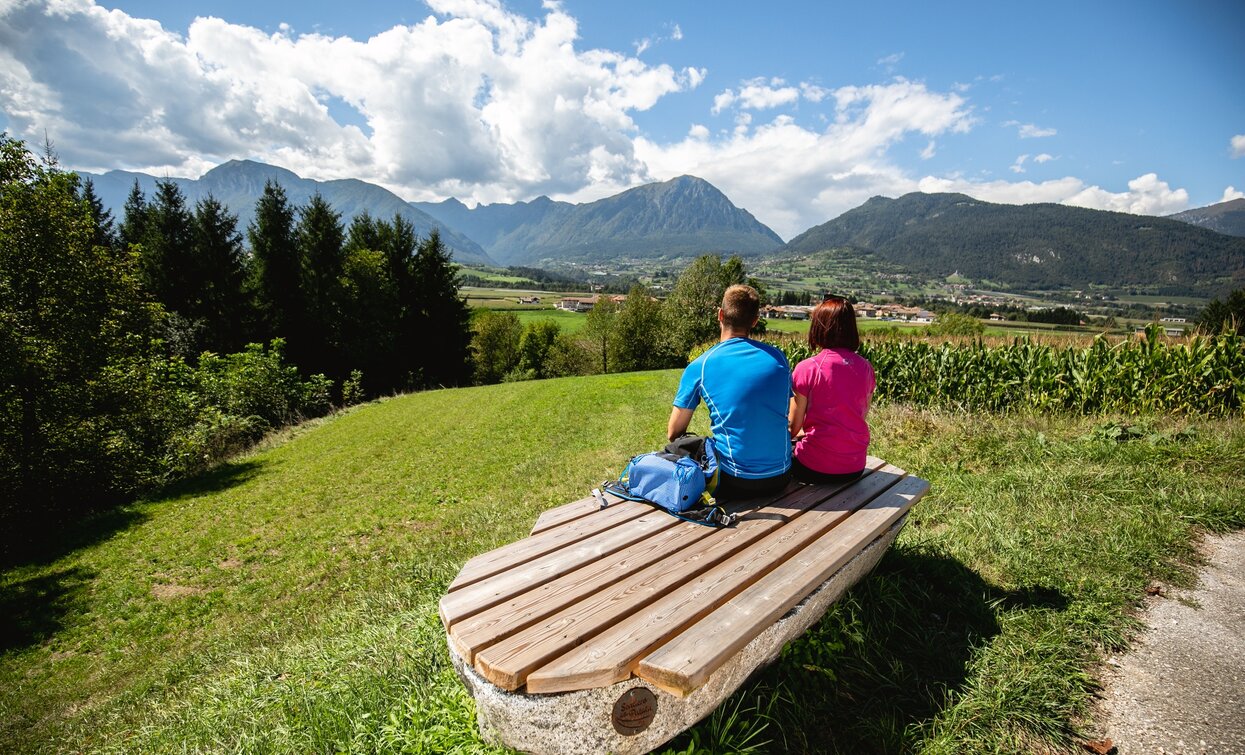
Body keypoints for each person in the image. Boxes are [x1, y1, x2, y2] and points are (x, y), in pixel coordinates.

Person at [668, 284, 792, 499]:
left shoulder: (701, 365)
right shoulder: (778, 358)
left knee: (678, 448)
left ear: (720, 315)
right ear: (755, 320)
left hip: (734, 480)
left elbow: (674, 433)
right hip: (780, 477)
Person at [788, 297, 876, 484]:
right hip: (855, 467)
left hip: (812, 467)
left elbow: (792, 428)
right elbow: (858, 416)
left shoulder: (807, 368)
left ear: (818, 327)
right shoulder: (866, 368)